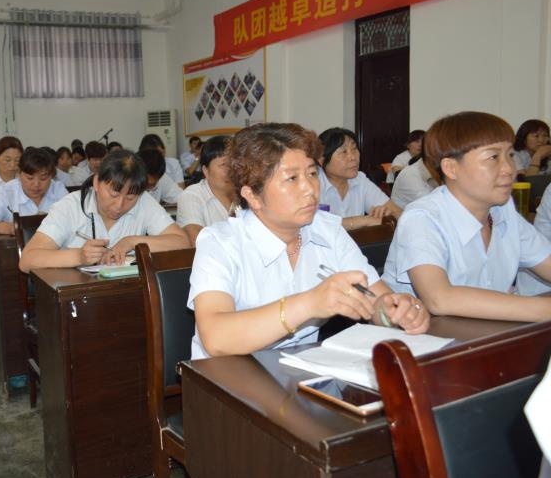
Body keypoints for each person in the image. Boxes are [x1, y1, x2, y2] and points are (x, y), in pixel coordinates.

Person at [188, 123, 428, 360]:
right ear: (252, 195)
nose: (310, 189)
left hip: (298, 369)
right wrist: (309, 303)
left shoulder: (327, 229)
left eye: (312, 174)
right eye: (291, 178)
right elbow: (216, 337)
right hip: (228, 374)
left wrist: (397, 312)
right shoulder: (220, 242)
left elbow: (375, 299)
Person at [383, 111, 551, 322]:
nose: (509, 169)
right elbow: (440, 299)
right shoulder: (423, 218)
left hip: (487, 334)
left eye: (510, 155)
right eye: (493, 157)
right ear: (451, 168)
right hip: (422, 338)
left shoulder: (502, 209)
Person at [19, 150, 190, 272]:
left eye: (130, 197)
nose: (119, 205)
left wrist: (132, 242)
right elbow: (27, 260)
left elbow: (182, 242)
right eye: (113, 194)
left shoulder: (144, 201)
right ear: (96, 182)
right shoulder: (70, 206)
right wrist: (79, 257)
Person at [0, 147, 67, 236]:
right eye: (30, 178)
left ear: (51, 176)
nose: (36, 184)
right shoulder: (6, 192)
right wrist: (11, 228)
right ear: (19, 174)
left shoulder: (58, 189)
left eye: (43, 178)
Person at [318, 127, 402, 229]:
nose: (353, 157)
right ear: (321, 160)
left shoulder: (359, 179)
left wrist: (389, 214)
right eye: (344, 152)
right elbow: (315, 226)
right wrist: (364, 220)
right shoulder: (312, 184)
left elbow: (399, 213)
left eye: (354, 148)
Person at [176, 136, 235, 246]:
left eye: (235, 163)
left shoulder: (247, 194)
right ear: (206, 171)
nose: (231, 170)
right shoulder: (191, 196)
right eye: (224, 164)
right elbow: (197, 240)